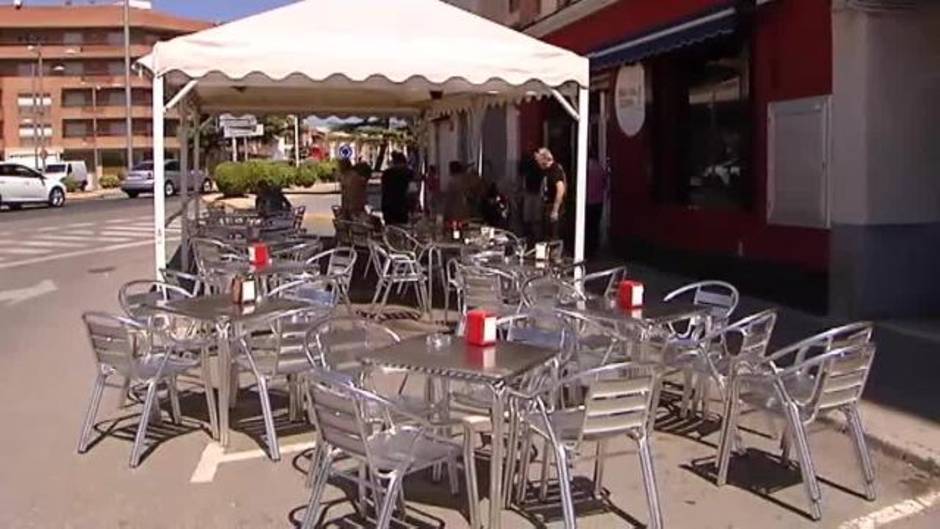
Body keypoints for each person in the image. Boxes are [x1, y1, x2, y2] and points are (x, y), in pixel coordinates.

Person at [536, 148, 566, 241]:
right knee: (547, 233)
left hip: (554, 206)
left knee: (554, 235)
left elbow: (560, 189)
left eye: (538, 160)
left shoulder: (555, 169)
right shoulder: (547, 170)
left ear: (544, 159)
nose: (537, 163)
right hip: (548, 204)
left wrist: (555, 210)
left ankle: (555, 254)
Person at [380, 151, 413, 225]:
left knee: (391, 230)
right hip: (402, 207)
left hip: (388, 207)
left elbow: (383, 190)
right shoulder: (407, 173)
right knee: (402, 230)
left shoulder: (386, 174)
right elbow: (411, 191)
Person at [586, 156, 608, 257]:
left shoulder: (585, 169)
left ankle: (587, 249)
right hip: (598, 202)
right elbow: (605, 184)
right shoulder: (600, 169)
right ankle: (594, 248)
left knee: (588, 226)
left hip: (587, 202)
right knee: (594, 226)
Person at [519, 150, 543, 241]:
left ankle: (533, 236)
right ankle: (532, 236)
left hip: (534, 192)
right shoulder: (531, 164)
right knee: (531, 217)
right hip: (531, 192)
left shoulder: (537, 165)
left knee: (532, 217)